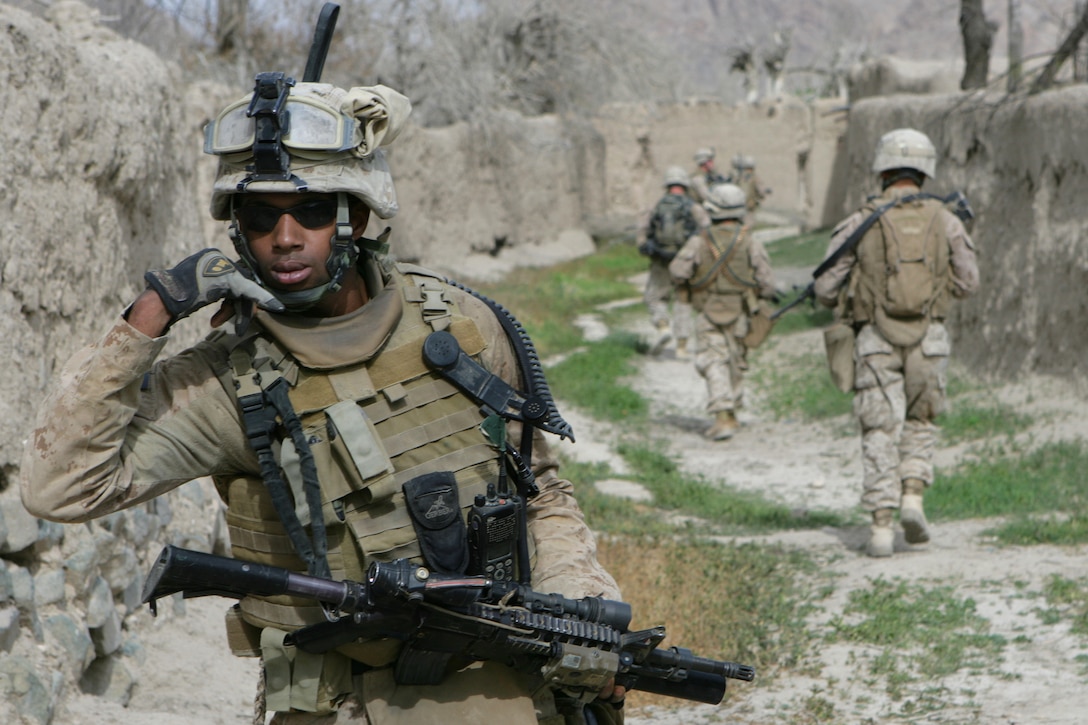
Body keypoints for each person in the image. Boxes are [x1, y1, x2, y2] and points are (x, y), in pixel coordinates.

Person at [20, 77, 625, 724]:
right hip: (332, 701)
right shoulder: (226, 384)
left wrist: (581, 610)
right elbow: (58, 488)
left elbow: (541, 494)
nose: (284, 236)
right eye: (260, 216)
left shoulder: (464, 326)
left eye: (309, 210)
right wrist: (150, 313)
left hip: (497, 680)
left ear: (356, 215)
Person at [813, 128, 979, 558]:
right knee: (921, 422)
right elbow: (968, 283)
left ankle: (882, 527)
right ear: (926, 170)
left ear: (883, 169)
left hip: (874, 340)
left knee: (879, 428)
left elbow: (826, 287)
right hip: (930, 339)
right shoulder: (947, 220)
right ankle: (912, 496)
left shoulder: (860, 221)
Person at [668, 183, 776, 441]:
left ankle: (723, 416)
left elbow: (677, 272)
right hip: (741, 311)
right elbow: (767, 282)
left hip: (708, 309)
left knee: (713, 360)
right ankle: (732, 411)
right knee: (735, 361)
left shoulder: (699, 241)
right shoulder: (750, 241)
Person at [636, 166, 710, 358]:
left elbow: (643, 230)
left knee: (654, 296)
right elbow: (707, 230)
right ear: (685, 185)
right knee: (682, 300)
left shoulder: (656, 205)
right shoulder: (693, 207)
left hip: (660, 259)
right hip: (685, 262)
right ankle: (682, 347)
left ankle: (662, 326)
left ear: (667, 185)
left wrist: (645, 246)